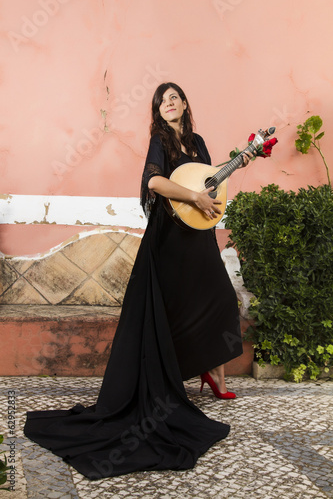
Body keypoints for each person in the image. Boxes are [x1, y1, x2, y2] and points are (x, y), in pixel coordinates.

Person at [24, 82, 252, 480]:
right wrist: (193, 198)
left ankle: (211, 371)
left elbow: (210, 182)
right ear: (157, 110)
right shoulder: (159, 140)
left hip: (197, 235)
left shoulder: (196, 141)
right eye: (162, 100)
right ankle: (192, 375)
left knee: (217, 296)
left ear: (185, 104)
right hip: (167, 240)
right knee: (169, 308)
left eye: (174, 97)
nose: (168, 103)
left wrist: (236, 165)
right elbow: (154, 183)